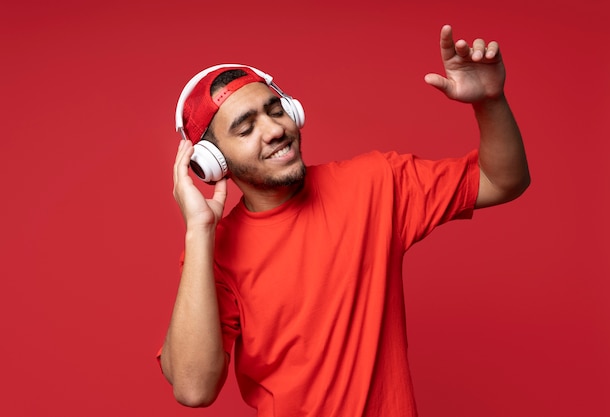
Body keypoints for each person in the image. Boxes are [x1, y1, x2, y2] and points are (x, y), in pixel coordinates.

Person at [157, 24, 530, 416]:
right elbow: (193, 387)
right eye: (246, 128)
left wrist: (490, 101)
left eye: (276, 110)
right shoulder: (216, 253)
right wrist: (199, 232)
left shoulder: (375, 183)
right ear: (213, 163)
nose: (274, 130)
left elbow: (502, 181)